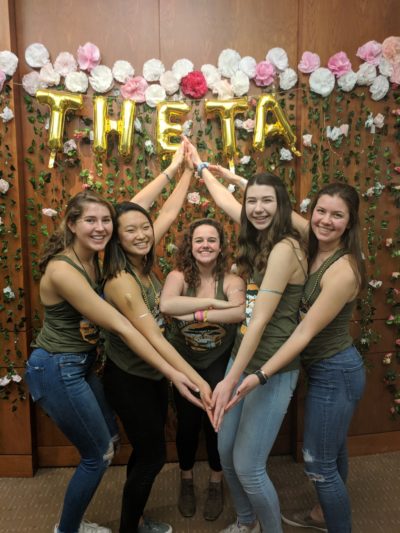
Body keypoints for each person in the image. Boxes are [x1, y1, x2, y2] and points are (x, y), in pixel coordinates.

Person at [24, 190, 210, 533]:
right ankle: (68, 529)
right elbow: (125, 326)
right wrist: (179, 376)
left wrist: (179, 169)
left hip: (82, 364)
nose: (100, 227)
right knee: (99, 456)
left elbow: (140, 217)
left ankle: (130, 520)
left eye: (105, 221)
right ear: (71, 224)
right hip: (56, 366)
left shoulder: (99, 254)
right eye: (90, 221)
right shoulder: (67, 269)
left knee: (111, 444)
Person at [225, 183, 366, 533]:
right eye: (321, 211)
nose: (326, 221)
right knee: (334, 453)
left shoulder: (344, 269)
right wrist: (218, 172)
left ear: (349, 223)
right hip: (319, 368)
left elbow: (302, 335)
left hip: (336, 370)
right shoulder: (311, 237)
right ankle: (322, 512)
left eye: (337, 216)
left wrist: (259, 375)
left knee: (320, 464)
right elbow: (259, 204)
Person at [186, 142, 307, 533]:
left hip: (272, 366)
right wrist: (203, 167)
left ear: (282, 204)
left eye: (267, 201)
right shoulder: (260, 238)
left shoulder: (287, 247)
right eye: (251, 200)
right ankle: (245, 522)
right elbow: (226, 204)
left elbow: (258, 322)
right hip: (244, 359)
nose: (256, 208)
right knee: (224, 451)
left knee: (250, 467)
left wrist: (227, 380)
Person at [101, 143, 214, 533]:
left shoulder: (142, 258)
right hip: (129, 378)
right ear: (115, 238)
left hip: (150, 376)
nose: (141, 234)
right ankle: (130, 528)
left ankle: (135, 520)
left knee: (145, 454)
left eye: (143, 228)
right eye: (129, 230)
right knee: (151, 457)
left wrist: (186, 169)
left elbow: (165, 212)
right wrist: (196, 381)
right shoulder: (120, 281)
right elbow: (154, 339)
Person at [160, 218, 245, 521]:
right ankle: (186, 480)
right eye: (199, 240)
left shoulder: (233, 280)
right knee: (186, 426)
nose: (205, 245)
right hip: (185, 361)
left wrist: (193, 312)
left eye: (212, 240)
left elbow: (238, 312)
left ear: (221, 246)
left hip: (219, 362)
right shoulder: (178, 275)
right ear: (190, 245)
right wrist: (210, 305)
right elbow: (167, 306)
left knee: (215, 425)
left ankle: (215, 482)